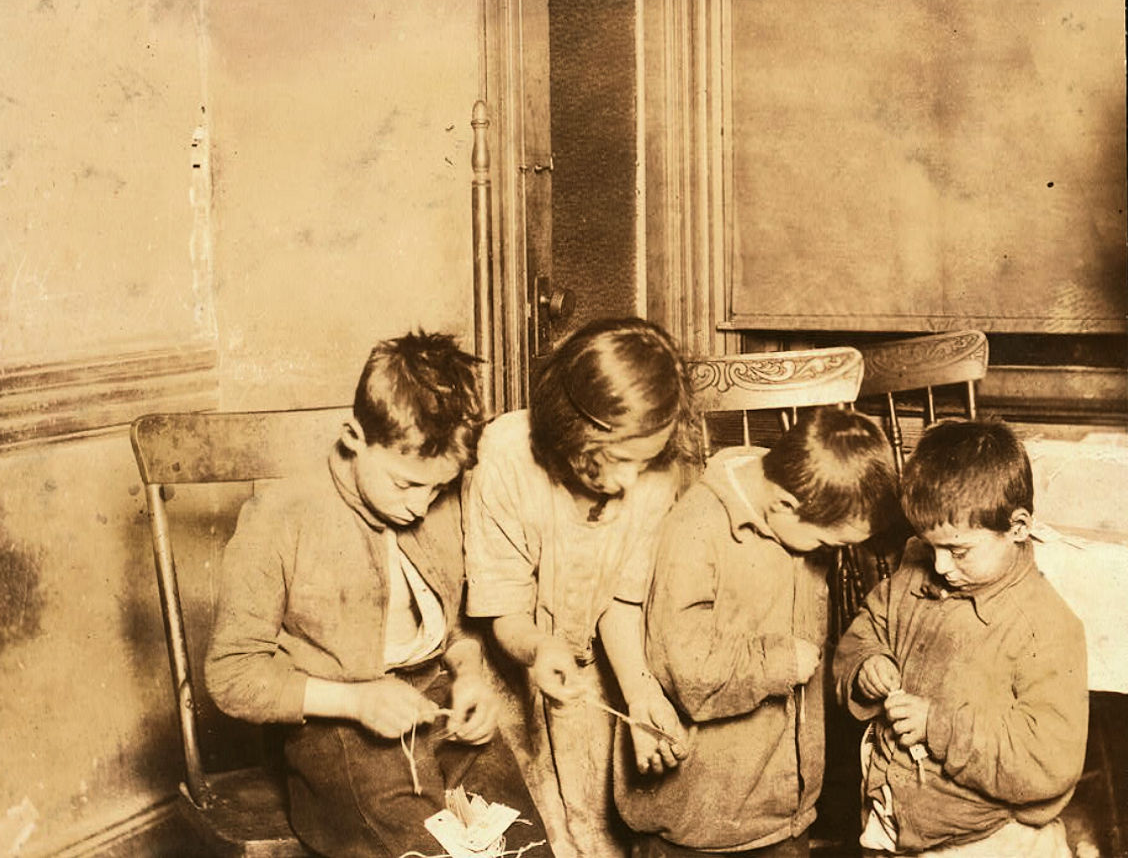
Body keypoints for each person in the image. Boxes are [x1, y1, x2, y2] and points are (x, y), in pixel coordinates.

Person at [204, 330, 553, 858]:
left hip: (432, 701)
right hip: (335, 725)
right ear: (353, 436)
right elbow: (231, 675)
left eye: (438, 487)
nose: (420, 505)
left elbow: (455, 626)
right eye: (405, 484)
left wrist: (470, 677)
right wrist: (356, 700)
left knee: (520, 845)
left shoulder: (435, 501)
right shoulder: (281, 517)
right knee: (435, 853)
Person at [615, 408, 900, 858]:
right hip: (701, 827)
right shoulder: (696, 528)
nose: (830, 555)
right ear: (784, 505)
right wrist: (779, 663)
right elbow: (683, 669)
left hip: (784, 810)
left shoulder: (798, 506)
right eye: (828, 545)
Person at [464, 317, 699, 858]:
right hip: (503, 663)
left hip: (590, 666)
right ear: (571, 431)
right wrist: (540, 647)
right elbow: (504, 610)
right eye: (616, 461)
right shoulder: (506, 455)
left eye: (644, 463)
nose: (628, 484)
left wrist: (640, 695)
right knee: (521, 835)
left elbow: (620, 602)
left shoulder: (653, 477)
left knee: (598, 834)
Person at [833, 419, 1088, 857]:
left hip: (990, 839)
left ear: (1018, 527)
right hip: (899, 817)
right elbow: (866, 629)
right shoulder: (915, 574)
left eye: (958, 550)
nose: (941, 566)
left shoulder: (1045, 627)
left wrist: (938, 726)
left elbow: (1049, 760)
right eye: (930, 546)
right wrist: (867, 662)